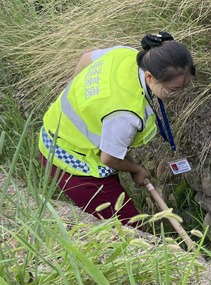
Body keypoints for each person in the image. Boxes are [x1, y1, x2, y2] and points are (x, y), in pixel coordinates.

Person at [38, 32, 194, 225]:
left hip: (55, 128)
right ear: (149, 76)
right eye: (173, 89)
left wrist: (84, 98)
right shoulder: (126, 114)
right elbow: (109, 158)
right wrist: (136, 170)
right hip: (70, 160)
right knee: (128, 228)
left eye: (184, 87)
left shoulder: (125, 54)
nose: (179, 95)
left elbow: (86, 58)